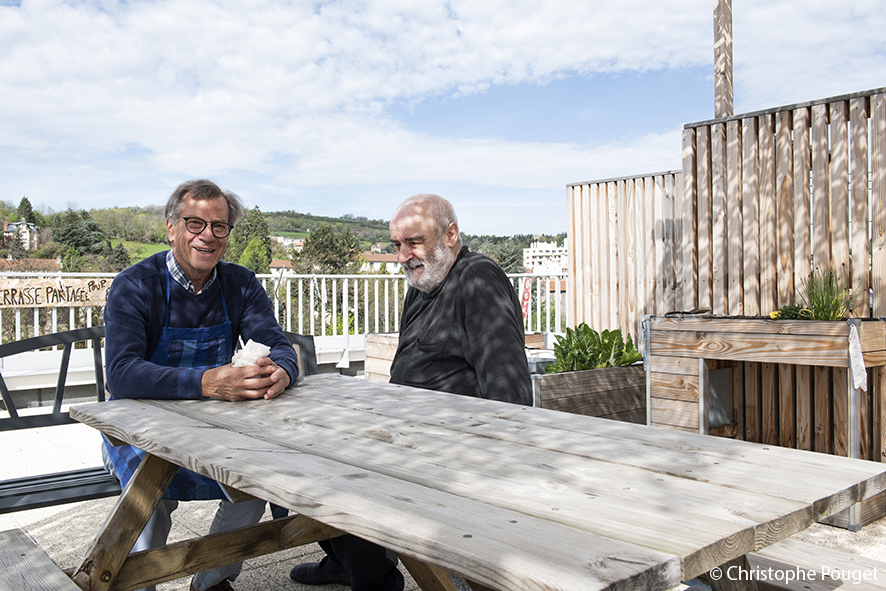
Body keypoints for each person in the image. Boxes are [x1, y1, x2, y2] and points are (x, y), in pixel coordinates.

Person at [289, 193, 531, 589]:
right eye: (397, 246)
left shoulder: (477, 279)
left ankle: (372, 578)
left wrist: (495, 482)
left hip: (447, 452)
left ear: (450, 234)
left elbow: (511, 393)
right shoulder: (425, 280)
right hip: (405, 434)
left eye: (414, 242)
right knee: (297, 452)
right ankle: (344, 560)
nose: (403, 256)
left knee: (331, 471)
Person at [102, 179, 299, 591]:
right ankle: (140, 584)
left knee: (259, 480)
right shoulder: (135, 285)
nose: (207, 236)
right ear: (171, 227)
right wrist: (208, 382)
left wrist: (283, 370)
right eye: (195, 223)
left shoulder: (241, 284)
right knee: (147, 499)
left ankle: (213, 580)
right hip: (140, 428)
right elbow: (121, 374)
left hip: (214, 429)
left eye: (219, 226)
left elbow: (279, 344)